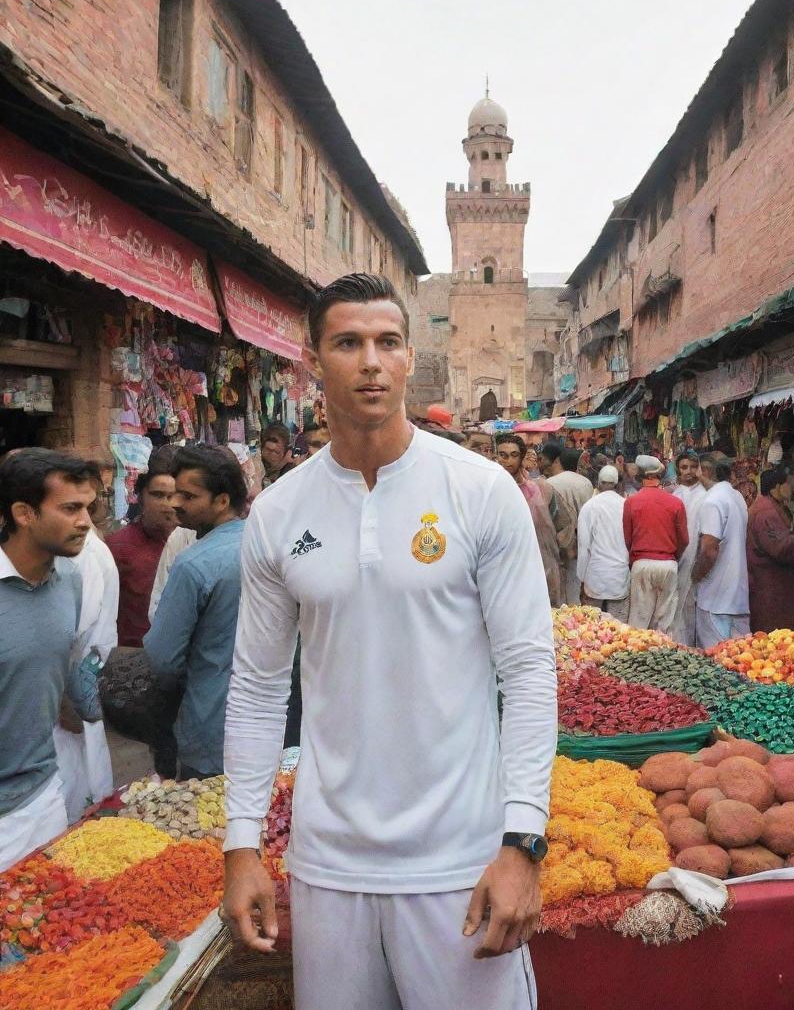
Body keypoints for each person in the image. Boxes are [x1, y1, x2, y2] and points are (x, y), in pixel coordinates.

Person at [221, 274, 556, 1009]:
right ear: (315, 363)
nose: (370, 361)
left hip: (459, 859)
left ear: (409, 358)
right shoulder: (279, 513)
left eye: (387, 342)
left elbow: (528, 670)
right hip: (328, 862)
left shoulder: (479, 492)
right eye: (348, 343)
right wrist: (241, 845)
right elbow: (256, 686)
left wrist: (523, 840)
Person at [0, 449, 100, 870]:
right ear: (24, 513)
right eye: (70, 508)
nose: (86, 521)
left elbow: (57, 668)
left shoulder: (71, 582)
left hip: (43, 796)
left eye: (88, 507)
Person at [144, 446, 246, 780]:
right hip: (269, 719)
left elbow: (162, 657)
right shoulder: (267, 546)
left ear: (222, 501)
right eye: (175, 494)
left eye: (188, 496)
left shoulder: (195, 564)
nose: (175, 504)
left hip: (211, 722)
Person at [53, 462, 120, 821]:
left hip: (70, 697)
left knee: (77, 796)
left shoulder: (83, 556)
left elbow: (73, 637)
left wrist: (66, 699)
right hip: (68, 695)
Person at [105, 457, 179, 648]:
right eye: (158, 495)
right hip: (131, 656)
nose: (167, 504)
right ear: (140, 496)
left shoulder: (193, 543)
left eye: (174, 496)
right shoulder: (118, 547)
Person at [746, 466, 794, 634]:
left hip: (772, 585)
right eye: (789, 483)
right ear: (777, 487)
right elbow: (780, 547)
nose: (792, 487)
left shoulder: (768, 505)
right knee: (775, 639)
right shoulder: (766, 511)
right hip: (771, 588)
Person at [496, 433, 563, 607]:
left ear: (521, 458)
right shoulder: (488, 489)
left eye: (513, 455)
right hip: (500, 567)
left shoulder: (537, 489)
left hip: (536, 563)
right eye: (502, 455)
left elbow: (554, 527)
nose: (507, 461)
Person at [623, 455, 688, 634]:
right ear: (660, 476)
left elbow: (627, 539)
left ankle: (637, 657)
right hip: (668, 563)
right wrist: (674, 556)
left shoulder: (631, 502)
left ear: (640, 476)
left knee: (639, 622)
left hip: (641, 564)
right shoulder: (675, 502)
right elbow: (684, 540)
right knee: (665, 623)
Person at [692, 457, 750, 648]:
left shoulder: (712, 501)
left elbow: (709, 550)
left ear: (706, 471)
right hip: (737, 598)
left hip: (715, 600)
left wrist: (695, 575)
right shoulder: (737, 497)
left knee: (716, 663)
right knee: (739, 661)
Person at [539, 444, 594, 604]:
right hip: (581, 541)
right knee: (575, 584)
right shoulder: (586, 483)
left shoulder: (549, 484)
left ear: (558, 461)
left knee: (558, 585)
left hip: (557, 542)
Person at [575, 465, 629, 621]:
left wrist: (581, 578)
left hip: (595, 576)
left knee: (592, 629)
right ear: (617, 483)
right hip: (619, 576)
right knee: (618, 629)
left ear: (598, 483)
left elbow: (583, 546)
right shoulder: (625, 504)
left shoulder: (589, 506)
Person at [671, 450, 707, 646]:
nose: (689, 472)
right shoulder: (675, 495)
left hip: (698, 558)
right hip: (677, 558)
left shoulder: (705, 495)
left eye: (693, 467)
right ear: (678, 469)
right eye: (684, 467)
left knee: (693, 604)